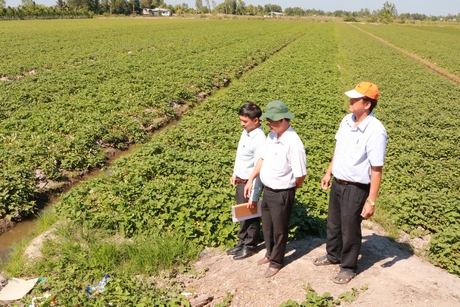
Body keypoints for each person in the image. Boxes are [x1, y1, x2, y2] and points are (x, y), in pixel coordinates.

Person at [314, 82, 388, 284]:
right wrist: (329, 172)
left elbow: (376, 169)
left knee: (350, 228)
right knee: (334, 224)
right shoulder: (347, 120)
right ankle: (333, 255)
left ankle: (347, 267)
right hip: (338, 182)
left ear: (367, 104)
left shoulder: (375, 131)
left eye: (355, 99)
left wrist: (371, 201)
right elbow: (338, 150)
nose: (351, 101)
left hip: (356, 188)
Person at [244, 100, 307, 278]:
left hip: (282, 192)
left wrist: (291, 189)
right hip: (268, 190)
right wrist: (251, 179)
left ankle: (276, 261)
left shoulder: (293, 142)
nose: (269, 124)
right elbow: (262, 159)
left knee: (280, 229)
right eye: (268, 120)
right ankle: (270, 253)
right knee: (268, 226)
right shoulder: (272, 136)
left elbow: (300, 174)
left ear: (283, 119)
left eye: (272, 120)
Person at [227, 102, 267, 260]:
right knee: (242, 214)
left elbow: (259, 166)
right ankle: (242, 241)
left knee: (250, 214)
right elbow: (241, 157)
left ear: (256, 120)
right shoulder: (246, 132)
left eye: (245, 121)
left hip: (250, 183)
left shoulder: (260, 139)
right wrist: (235, 174)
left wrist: (254, 195)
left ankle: (250, 245)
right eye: (241, 120)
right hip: (241, 180)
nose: (241, 124)